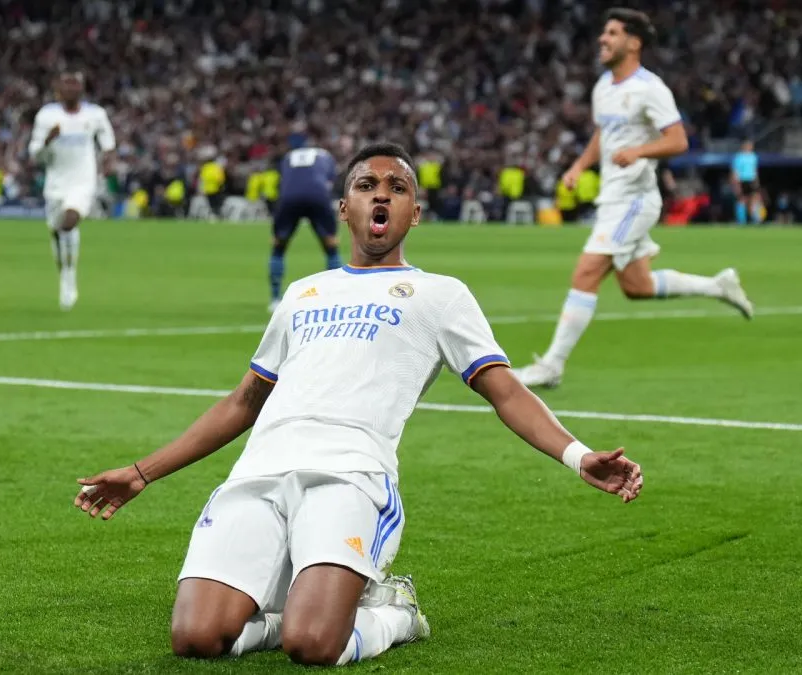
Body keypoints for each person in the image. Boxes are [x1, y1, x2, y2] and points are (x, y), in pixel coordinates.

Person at [71, 143, 644, 666]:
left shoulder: (440, 295)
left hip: (351, 479)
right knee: (195, 639)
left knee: (314, 646)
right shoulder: (303, 294)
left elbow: (507, 391)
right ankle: (292, 602)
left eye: (398, 189)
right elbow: (244, 402)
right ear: (344, 207)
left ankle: (395, 611)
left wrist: (577, 455)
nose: (382, 195)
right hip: (259, 475)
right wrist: (143, 473)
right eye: (368, 185)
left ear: (414, 215)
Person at [512, 8, 753, 389]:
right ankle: (717, 286)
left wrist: (640, 152)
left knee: (587, 271)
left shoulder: (650, 88)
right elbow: (601, 136)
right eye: (603, 33)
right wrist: (579, 166)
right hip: (612, 198)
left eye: (612, 33)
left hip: (635, 200)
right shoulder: (603, 87)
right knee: (636, 287)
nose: (602, 39)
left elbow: (678, 140)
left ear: (634, 42)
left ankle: (552, 365)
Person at [28, 70, 116, 311]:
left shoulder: (96, 115)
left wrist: (108, 161)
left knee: (70, 220)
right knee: (57, 231)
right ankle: (65, 272)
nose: (71, 87)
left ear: (82, 87)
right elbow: (35, 155)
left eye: (75, 82)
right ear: (58, 88)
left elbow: (108, 142)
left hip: (83, 181)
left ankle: (69, 279)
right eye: (66, 83)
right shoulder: (47, 116)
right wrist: (48, 140)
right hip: (56, 183)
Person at [268, 137, 343, 311]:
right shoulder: (326, 156)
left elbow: (285, 179)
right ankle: (338, 296)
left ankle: (275, 298)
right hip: (317, 195)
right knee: (331, 245)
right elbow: (329, 181)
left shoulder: (288, 157)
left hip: (289, 197)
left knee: (278, 246)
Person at [732, 140, 762, 225]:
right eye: (748, 146)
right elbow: (735, 171)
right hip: (742, 180)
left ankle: (756, 219)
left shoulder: (753, 157)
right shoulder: (739, 157)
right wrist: (736, 183)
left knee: (755, 199)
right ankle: (741, 221)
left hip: (751, 180)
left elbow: (755, 170)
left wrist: (757, 181)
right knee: (742, 199)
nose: (749, 147)